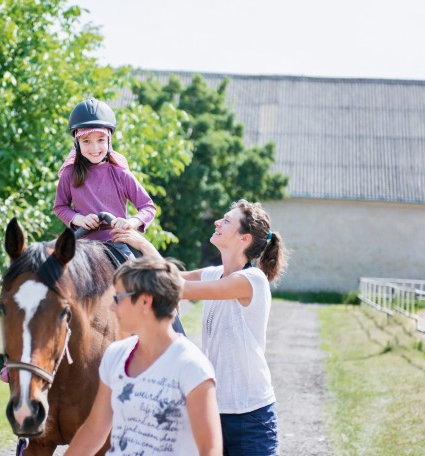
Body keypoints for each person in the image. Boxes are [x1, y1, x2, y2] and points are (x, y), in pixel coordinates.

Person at [111, 199, 288, 456]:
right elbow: (172, 276)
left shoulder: (252, 280)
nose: (217, 221)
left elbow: (177, 288)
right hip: (213, 411)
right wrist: (138, 244)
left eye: (226, 221)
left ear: (244, 238)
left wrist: (140, 250)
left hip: (251, 416)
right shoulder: (215, 274)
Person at [66, 256, 223, 456]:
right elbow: (94, 429)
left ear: (145, 301)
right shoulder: (115, 355)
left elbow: (210, 450)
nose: (112, 307)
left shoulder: (192, 366)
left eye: (118, 298)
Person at [54, 97, 156, 259]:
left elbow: (148, 207)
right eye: (86, 141)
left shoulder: (120, 173)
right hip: (81, 242)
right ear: (77, 142)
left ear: (109, 140)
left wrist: (131, 222)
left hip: (117, 241)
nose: (94, 148)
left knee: (137, 277)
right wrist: (79, 219)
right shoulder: (70, 173)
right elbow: (60, 206)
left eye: (100, 140)